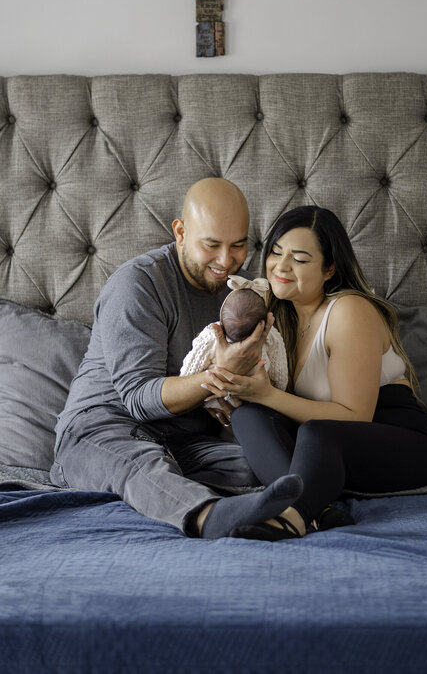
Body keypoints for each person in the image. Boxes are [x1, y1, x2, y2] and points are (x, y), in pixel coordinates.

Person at [51, 178, 304, 539]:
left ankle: (305, 510)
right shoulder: (138, 285)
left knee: (268, 467)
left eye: (238, 246)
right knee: (141, 466)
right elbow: (139, 400)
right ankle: (209, 516)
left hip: (186, 439)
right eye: (212, 245)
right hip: (103, 427)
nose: (226, 261)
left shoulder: (244, 293)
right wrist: (220, 373)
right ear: (181, 232)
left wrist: (247, 391)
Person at [202, 205, 427, 540]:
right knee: (250, 417)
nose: (281, 266)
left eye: (300, 259)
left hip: (400, 446)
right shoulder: (276, 320)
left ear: (329, 269)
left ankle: (292, 516)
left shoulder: (348, 310)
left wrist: (268, 394)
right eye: (275, 252)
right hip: (327, 459)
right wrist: (235, 392)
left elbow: (356, 418)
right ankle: (319, 510)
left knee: (316, 432)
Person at [178, 275, 289, 426]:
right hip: (257, 402)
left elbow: (188, 372)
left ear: (221, 319)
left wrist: (206, 379)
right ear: (262, 321)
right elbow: (280, 371)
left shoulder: (211, 334)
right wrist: (274, 389)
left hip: (215, 401)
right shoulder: (271, 336)